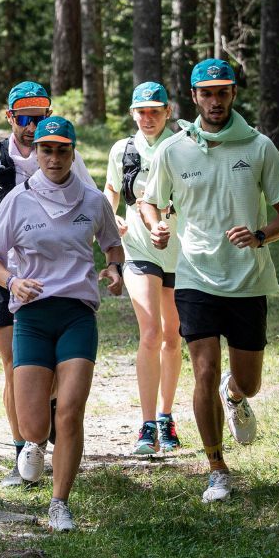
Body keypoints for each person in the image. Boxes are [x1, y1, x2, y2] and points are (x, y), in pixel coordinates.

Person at [141, 59, 279, 503]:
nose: (214, 101)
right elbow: (150, 201)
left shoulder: (259, 146)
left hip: (247, 280)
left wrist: (262, 234)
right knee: (203, 370)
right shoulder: (175, 149)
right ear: (193, 97)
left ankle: (236, 394)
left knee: (248, 383)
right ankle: (216, 468)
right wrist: (155, 226)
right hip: (194, 276)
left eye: (222, 92)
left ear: (233, 95)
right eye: (206, 94)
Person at [0, 116, 124, 532]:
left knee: (72, 413)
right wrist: (13, 281)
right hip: (33, 317)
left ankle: (60, 503)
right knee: (32, 425)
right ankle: (35, 440)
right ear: (37, 153)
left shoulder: (94, 201)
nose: (55, 157)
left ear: (73, 152)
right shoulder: (18, 201)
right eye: (47, 149)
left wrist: (114, 269)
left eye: (62, 150)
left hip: (77, 314)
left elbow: (112, 245)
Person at [0, 81, 93, 486]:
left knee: (50, 371)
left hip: (54, 283)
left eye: (39, 117)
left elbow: (90, 203)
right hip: (3, 279)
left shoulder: (63, 154)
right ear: (10, 117)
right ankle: (24, 454)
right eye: (24, 118)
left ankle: (47, 422)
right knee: (14, 366)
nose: (33, 127)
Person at [102, 82, 183, 455]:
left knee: (173, 336)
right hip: (139, 248)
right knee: (151, 332)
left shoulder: (185, 143)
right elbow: (111, 192)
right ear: (133, 113)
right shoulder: (123, 149)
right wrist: (113, 218)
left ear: (168, 111)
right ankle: (147, 425)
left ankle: (167, 416)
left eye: (155, 111)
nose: (148, 118)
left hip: (183, 252)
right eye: (141, 111)